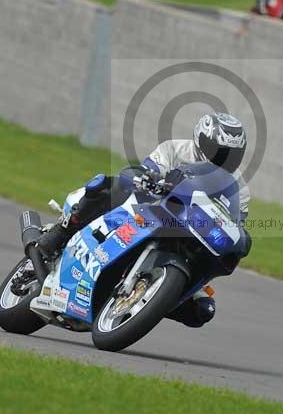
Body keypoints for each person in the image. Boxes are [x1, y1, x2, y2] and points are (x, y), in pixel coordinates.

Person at [32, 112, 252, 327]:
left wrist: (240, 237)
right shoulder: (175, 149)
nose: (223, 159)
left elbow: (234, 223)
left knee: (203, 309)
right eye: (219, 151)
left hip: (193, 235)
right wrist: (146, 178)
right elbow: (149, 170)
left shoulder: (239, 188)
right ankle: (60, 232)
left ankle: (153, 300)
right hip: (154, 209)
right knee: (110, 185)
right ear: (201, 141)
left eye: (232, 154)